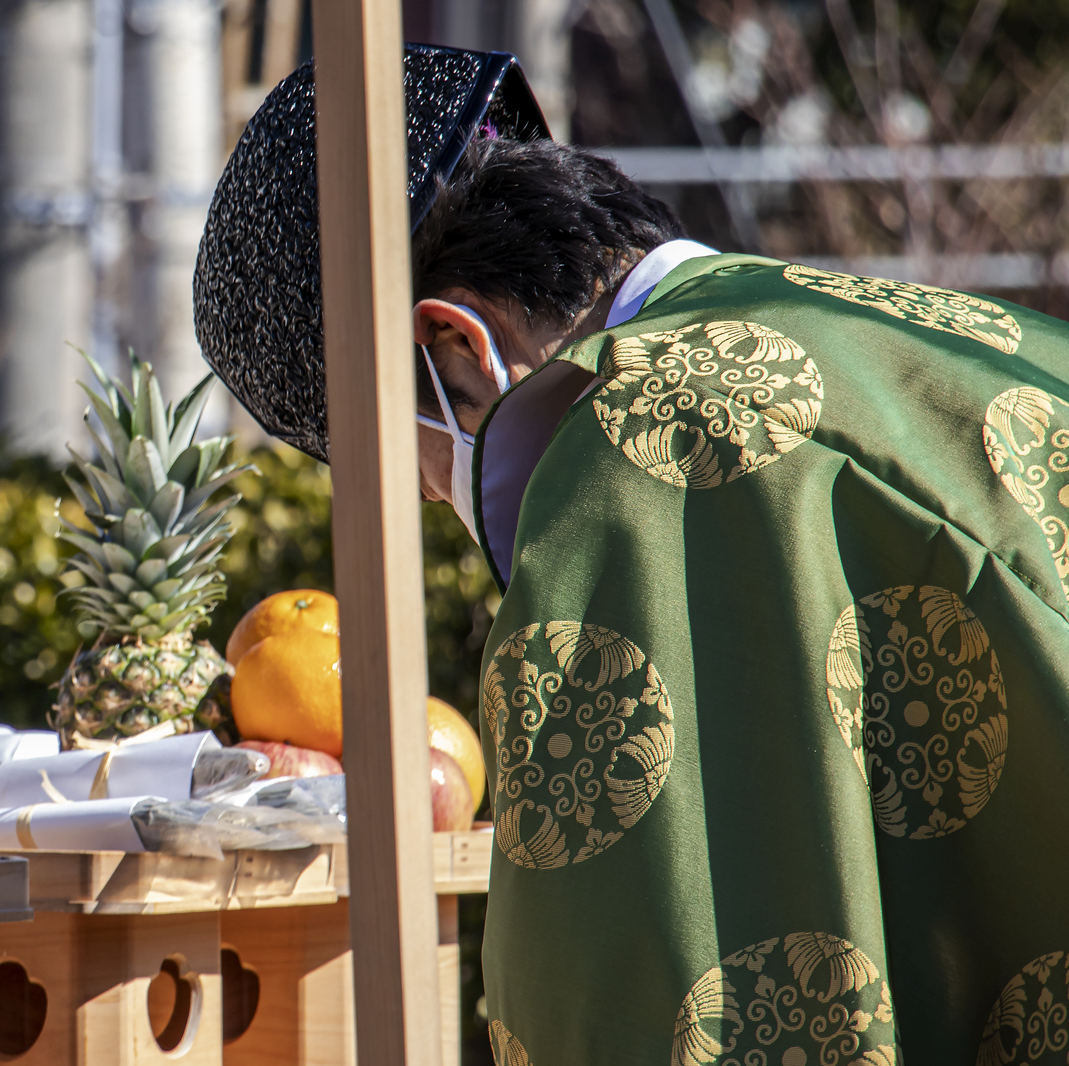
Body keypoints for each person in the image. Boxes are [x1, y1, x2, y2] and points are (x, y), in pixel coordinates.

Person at [195, 44, 1069, 1064]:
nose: (435, 499)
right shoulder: (882, 324)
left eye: (414, 466)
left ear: (457, 344)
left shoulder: (643, 454)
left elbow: (641, 989)